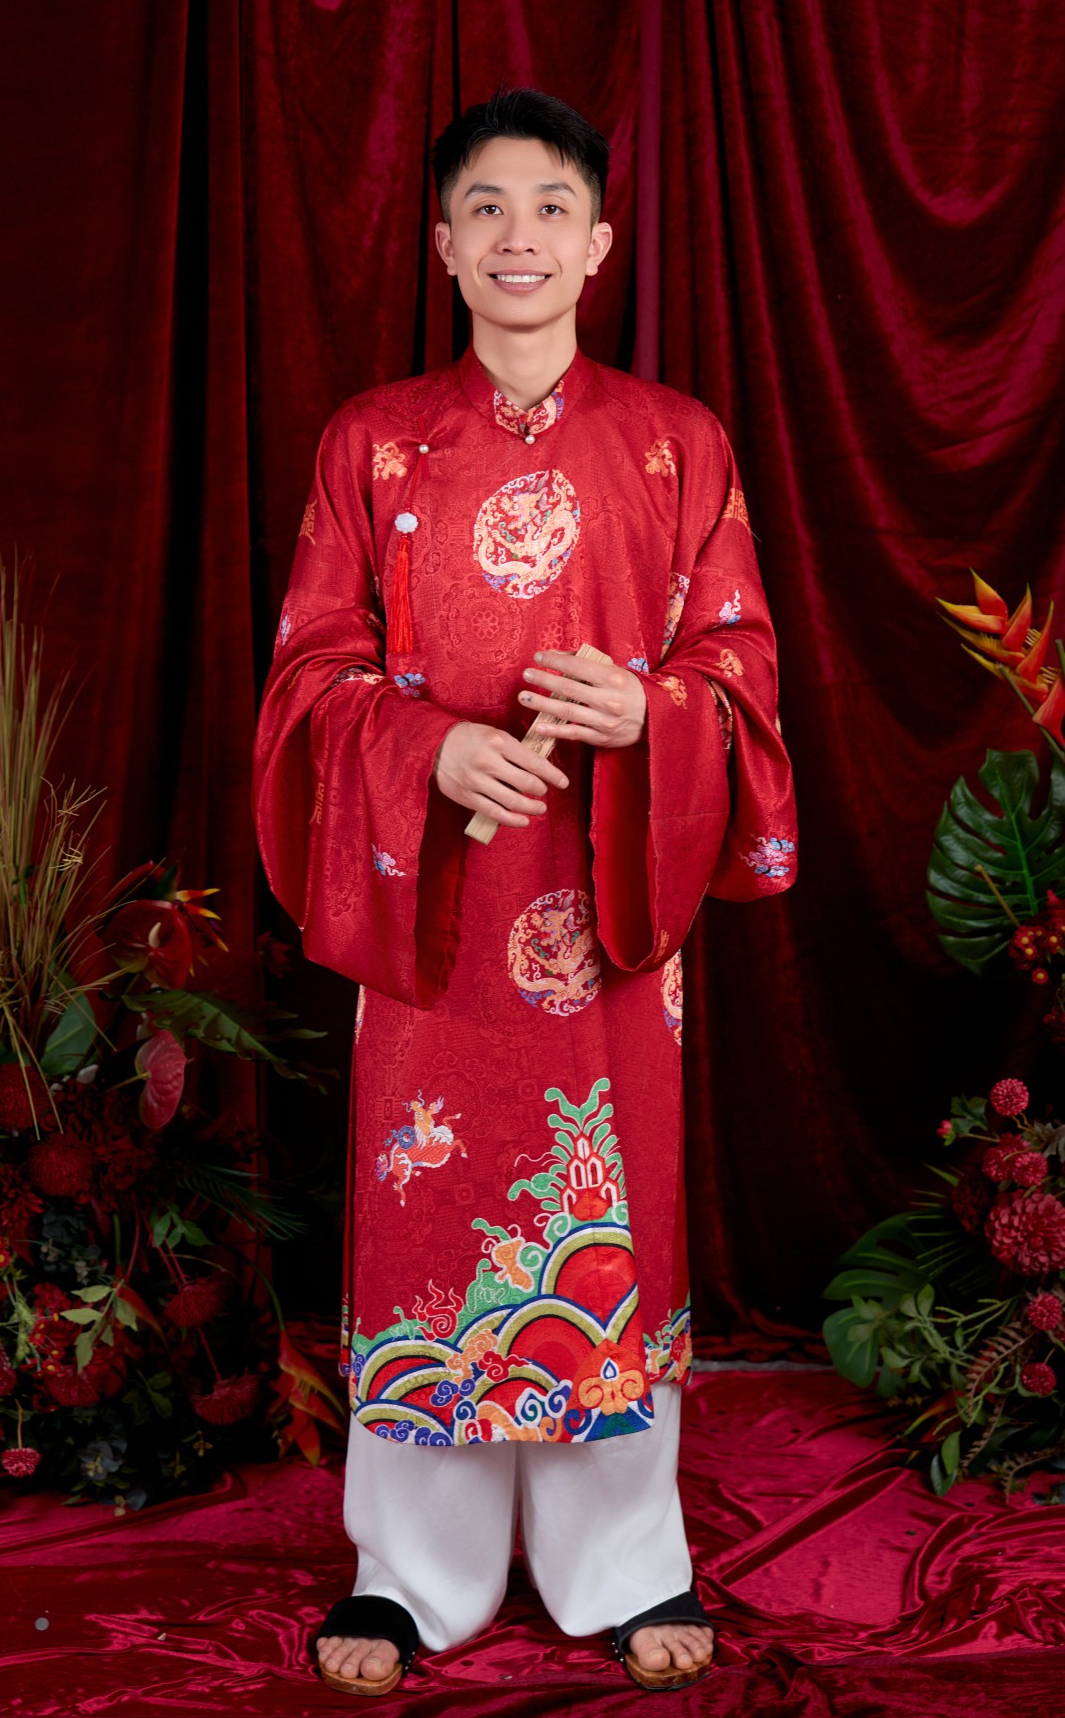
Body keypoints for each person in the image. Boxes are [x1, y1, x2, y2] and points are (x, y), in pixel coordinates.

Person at [252, 86, 797, 1695]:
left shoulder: (677, 442)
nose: (518, 237)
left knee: (603, 1204)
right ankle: (407, 1573)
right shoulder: (370, 442)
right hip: (428, 902)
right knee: (423, 1206)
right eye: (484, 207)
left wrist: (647, 711)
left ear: (599, 243)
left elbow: (740, 663)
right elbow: (309, 670)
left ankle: (622, 1563)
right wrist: (426, 751)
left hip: (606, 894)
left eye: (551, 207)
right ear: (440, 243)